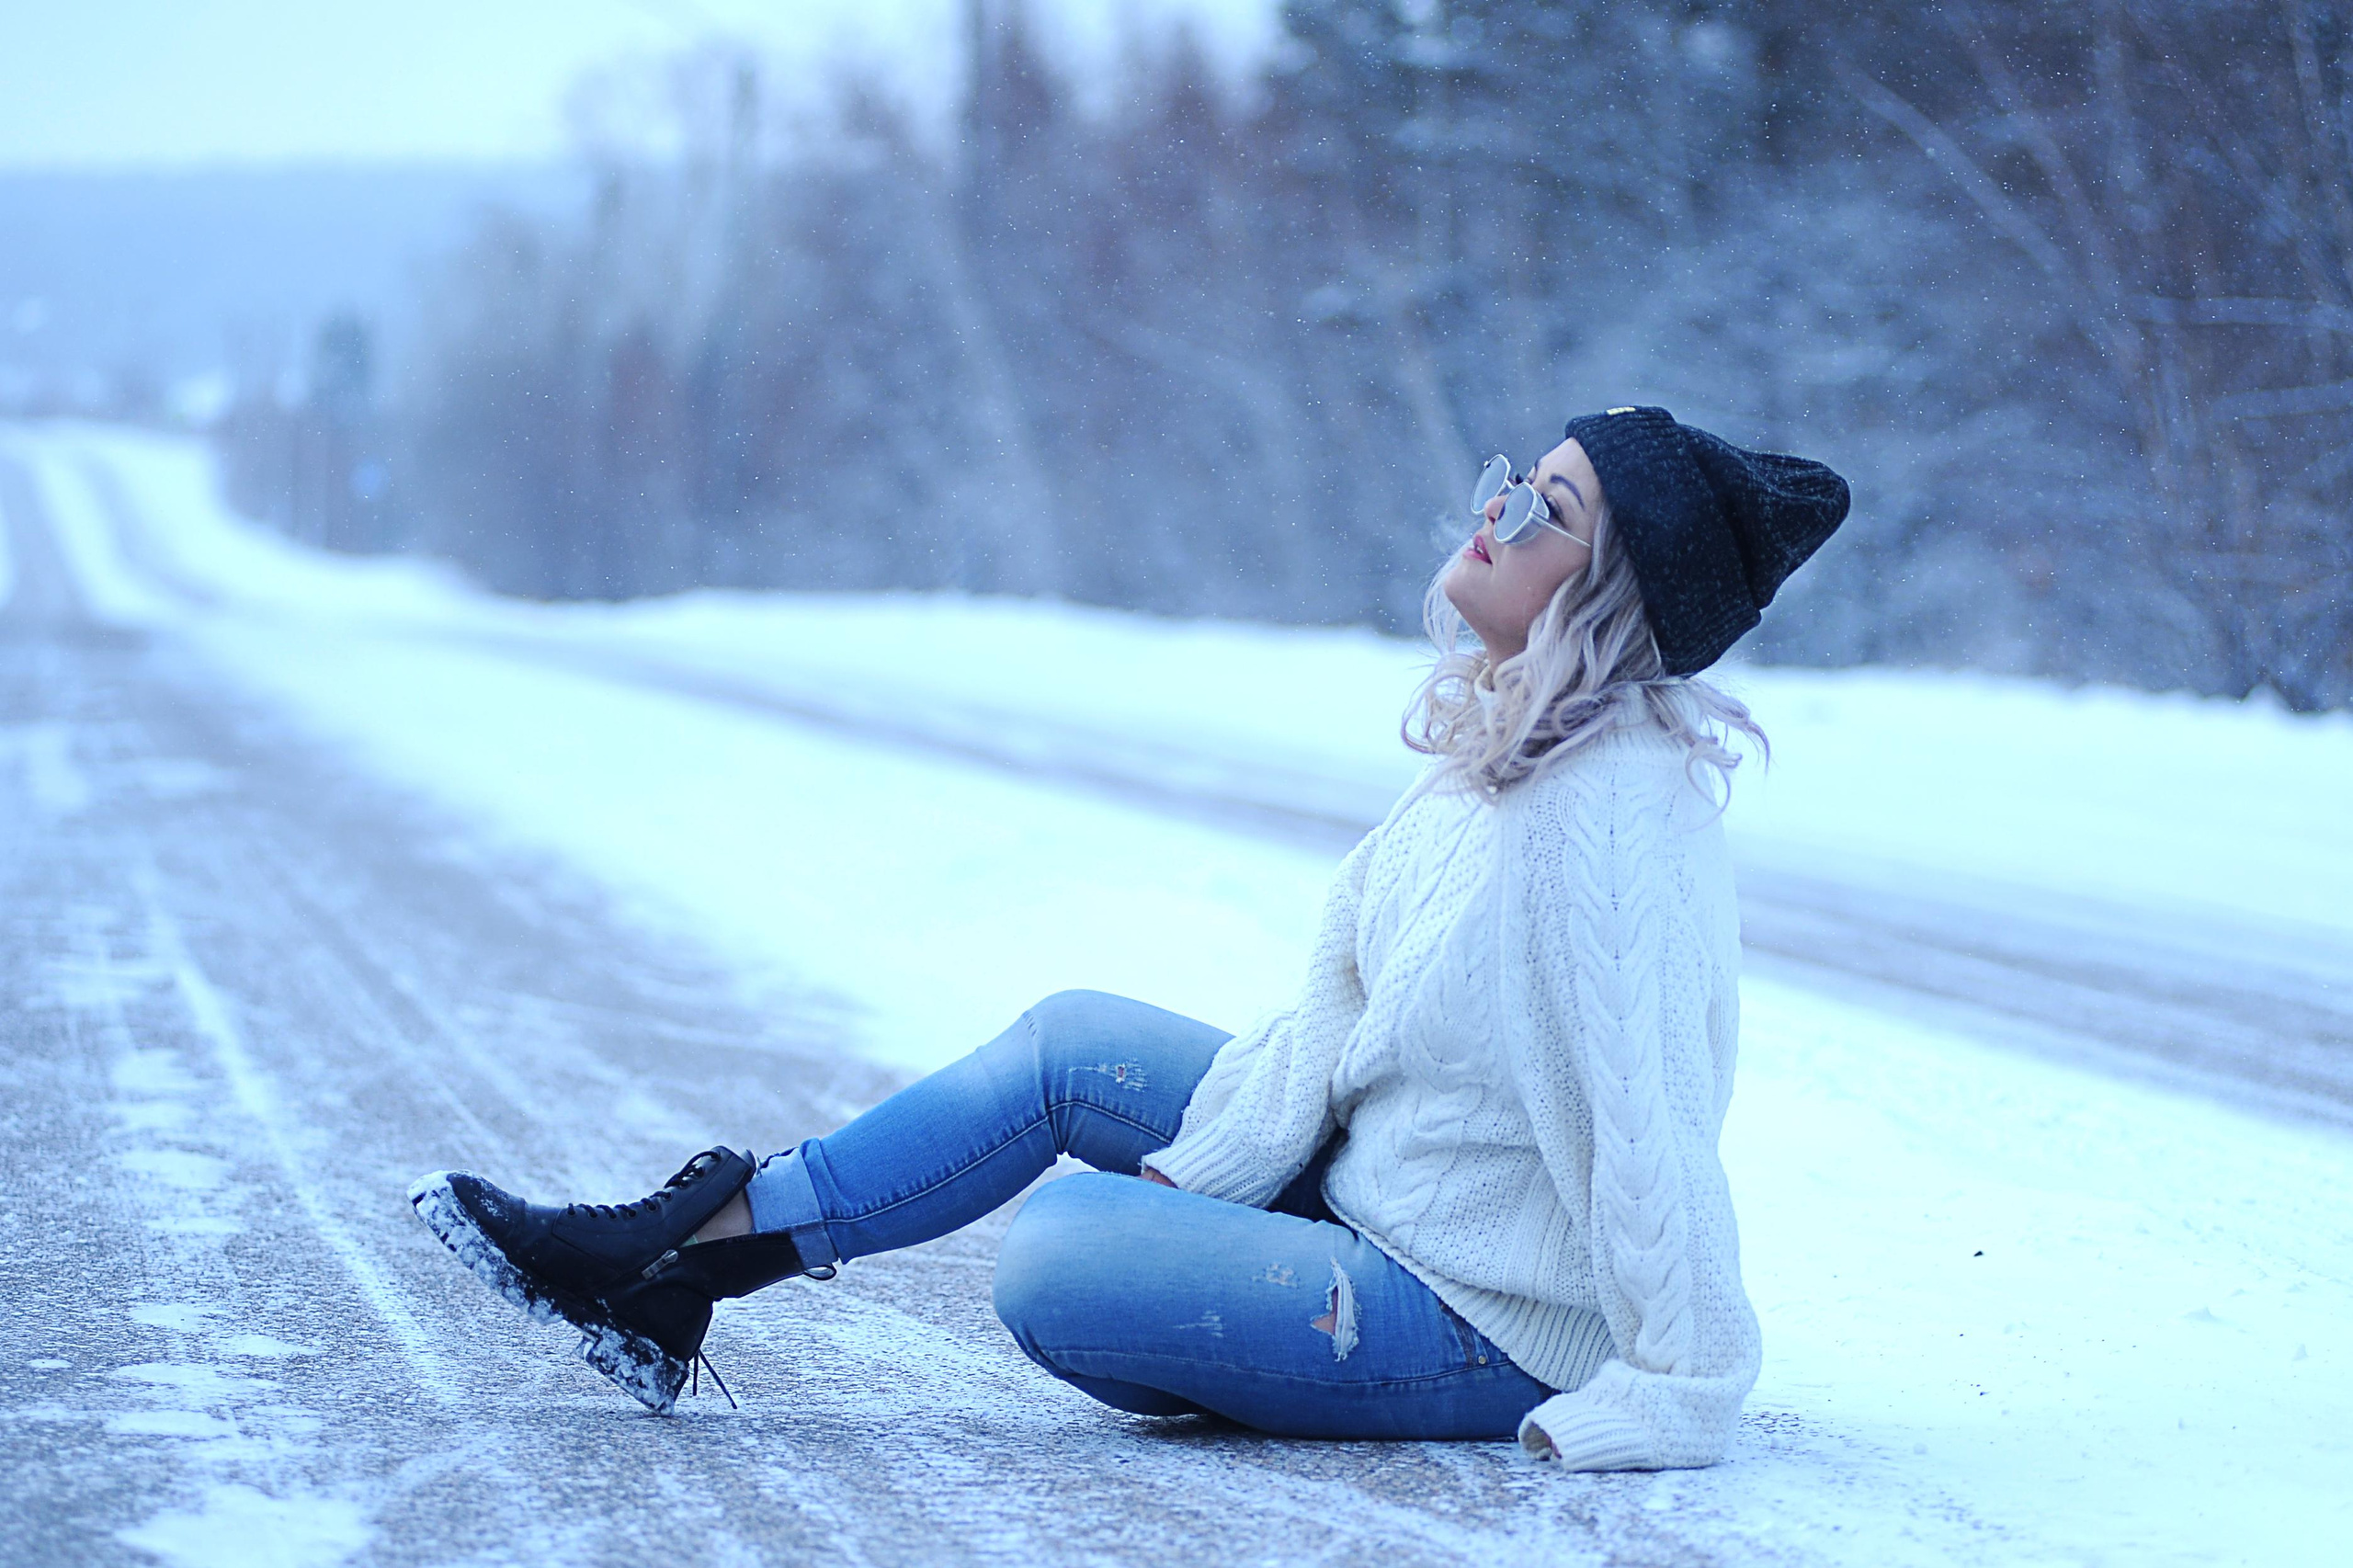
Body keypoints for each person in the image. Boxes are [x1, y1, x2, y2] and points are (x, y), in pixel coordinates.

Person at [410, 405, 1849, 1470]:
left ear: (1615, 595)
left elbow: (1650, 1111)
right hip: (1386, 1191)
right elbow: (1349, 1024)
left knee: (1062, 1254)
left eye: (1548, 512)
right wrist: (1224, 1160)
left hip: (1478, 1306)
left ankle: (682, 1267)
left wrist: (1678, 1373)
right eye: (1512, 483)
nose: (1496, 516)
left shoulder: (1605, 821)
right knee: (1072, 1042)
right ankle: (691, 1253)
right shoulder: (1517, 748)